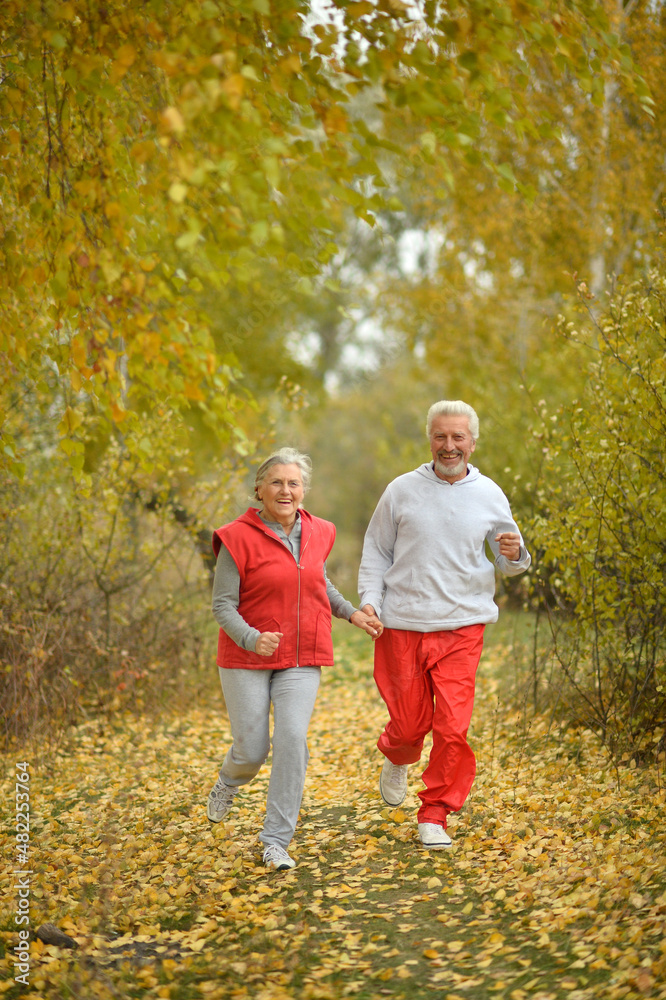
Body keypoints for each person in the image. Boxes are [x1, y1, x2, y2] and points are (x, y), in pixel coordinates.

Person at [358, 400, 531, 849]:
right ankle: (397, 754)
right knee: (410, 724)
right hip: (403, 625)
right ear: (430, 439)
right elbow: (376, 551)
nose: (449, 445)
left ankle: (435, 813)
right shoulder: (400, 490)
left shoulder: (489, 494)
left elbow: (508, 558)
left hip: (462, 625)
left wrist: (515, 555)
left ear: (472, 443)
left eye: (458, 437)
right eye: (441, 436)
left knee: (452, 727)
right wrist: (370, 602)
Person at [208, 447, 382, 872]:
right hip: (246, 657)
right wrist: (252, 638)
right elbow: (222, 605)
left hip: (302, 657)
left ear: (303, 490)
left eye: (293, 483)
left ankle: (275, 841)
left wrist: (353, 613)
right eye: (277, 482)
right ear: (260, 489)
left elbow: (321, 583)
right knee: (252, 750)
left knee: (292, 741)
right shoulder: (236, 537)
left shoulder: (320, 531)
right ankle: (229, 781)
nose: (286, 490)